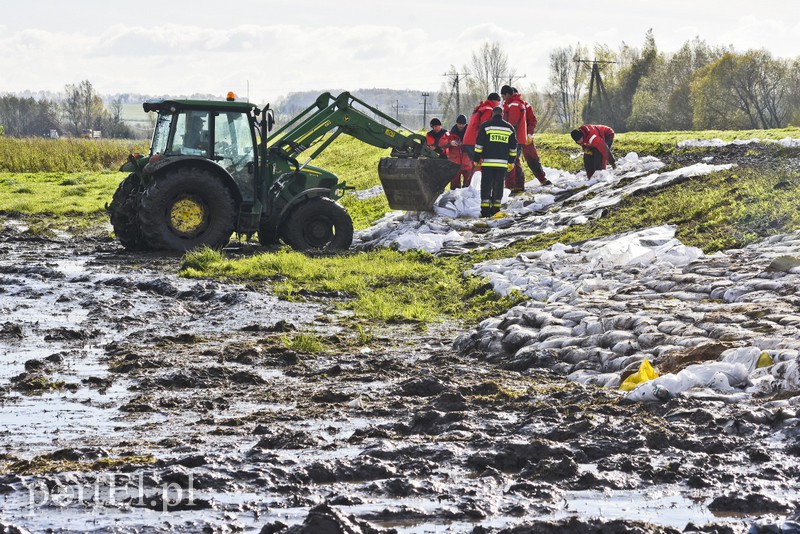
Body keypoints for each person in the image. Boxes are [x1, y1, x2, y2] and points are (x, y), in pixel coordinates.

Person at [472, 106, 517, 217]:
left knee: (486, 186)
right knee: (499, 185)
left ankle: (485, 211)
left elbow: (479, 145)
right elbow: (513, 147)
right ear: (502, 114)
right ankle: (496, 209)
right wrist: (511, 161)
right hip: (502, 164)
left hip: (487, 163)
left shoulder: (486, 126)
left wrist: (476, 159)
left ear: (492, 114)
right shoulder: (509, 128)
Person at [500, 86, 528, 194]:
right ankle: (518, 185)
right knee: (515, 161)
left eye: (503, 96)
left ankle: (510, 186)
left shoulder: (514, 105)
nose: (503, 98)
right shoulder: (517, 103)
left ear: (507, 94)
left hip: (514, 138)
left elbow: (512, 123)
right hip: (519, 137)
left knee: (510, 161)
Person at [522, 95, 552, 186]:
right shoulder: (505, 106)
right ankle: (512, 185)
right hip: (512, 137)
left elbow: (532, 120)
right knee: (512, 161)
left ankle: (542, 179)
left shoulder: (526, 106)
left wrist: (529, 134)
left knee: (532, 158)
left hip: (525, 136)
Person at [462, 92, 502, 159]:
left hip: (469, 141)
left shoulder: (482, 108)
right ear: (494, 101)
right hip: (474, 142)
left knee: (475, 163)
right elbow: (484, 126)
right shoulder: (489, 110)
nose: (499, 104)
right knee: (481, 162)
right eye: (499, 102)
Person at [443, 114, 474, 189]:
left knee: (468, 187)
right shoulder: (450, 134)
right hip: (455, 164)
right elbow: (441, 143)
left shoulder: (471, 134)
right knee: (454, 187)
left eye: (463, 124)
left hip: (468, 164)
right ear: (456, 123)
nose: (461, 126)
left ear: (465, 124)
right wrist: (450, 143)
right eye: (459, 124)